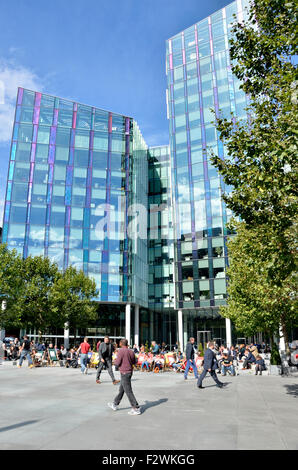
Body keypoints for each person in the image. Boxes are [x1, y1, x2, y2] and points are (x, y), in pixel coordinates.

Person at [108, 338, 141, 415]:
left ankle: (136, 408)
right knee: (122, 389)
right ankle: (115, 404)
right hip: (129, 371)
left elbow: (118, 362)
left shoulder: (121, 351)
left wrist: (115, 363)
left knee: (128, 391)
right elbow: (134, 361)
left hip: (124, 372)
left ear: (121, 343)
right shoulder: (131, 351)